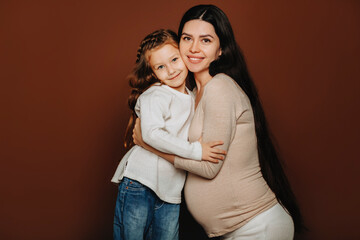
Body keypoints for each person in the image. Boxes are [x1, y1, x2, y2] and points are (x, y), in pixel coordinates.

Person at [133, 5, 304, 240]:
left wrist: (148, 144)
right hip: (233, 230)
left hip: (257, 226)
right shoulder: (190, 96)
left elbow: (209, 166)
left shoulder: (220, 88)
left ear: (220, 49)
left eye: (206, 40)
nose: (194, 48)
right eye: (187, 38)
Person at [111, 29, 225, 240]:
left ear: (184, 56)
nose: (171, 70)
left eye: (174, 60)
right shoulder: (156, 95)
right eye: (161, 67)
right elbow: (152, 134)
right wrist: (196, 151)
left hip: (171, 191)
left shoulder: (192, 97)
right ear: (153, 72)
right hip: (140, 182)